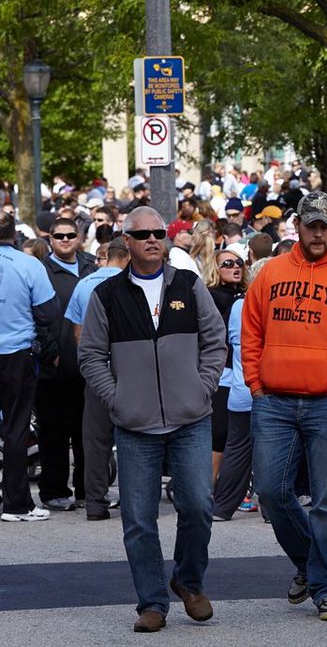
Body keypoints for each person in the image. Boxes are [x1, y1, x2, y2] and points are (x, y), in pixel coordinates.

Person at [77, 206, 227, 632]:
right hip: (135, 424)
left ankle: (188, 581)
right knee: (139, 520)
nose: (151, 239)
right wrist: (117, 399)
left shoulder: (189, 284)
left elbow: (216, 341)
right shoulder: (106, 295)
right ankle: (152, 602)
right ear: (127, 240)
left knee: (198, 506)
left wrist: (204, 386)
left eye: (158, 232)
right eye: (141, 234)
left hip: (190, 417)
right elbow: (90, 356)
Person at [241, 191, 327, 622]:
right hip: (274, 401)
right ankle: (311, 563)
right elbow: (251, 332)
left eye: (324, 226)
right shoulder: (271, 272)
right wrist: (256, 385)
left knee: (326, 500)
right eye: (309, 225)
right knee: (271, 491)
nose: (317, 233)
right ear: (297, 226)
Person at [35, 216, 98, 511]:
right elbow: (35, 315)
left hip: (88, 366)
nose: (64, 239)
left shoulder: (91, 267)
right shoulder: (41, 270)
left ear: (79, 236)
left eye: (70, 234)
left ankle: (87, 490)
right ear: (50, 239)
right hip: (53, 368)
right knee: (54, 433)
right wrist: (50, 351)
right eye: (58, 236)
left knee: (87, 431)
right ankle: (54, 490)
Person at [0, 212, 60, 522]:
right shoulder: (28, 265)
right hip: (16, 353)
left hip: (16, 350)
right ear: (15, 234)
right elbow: (49, 312)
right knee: (16, 428)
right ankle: (16, 503)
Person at [65, 237, 129, 520]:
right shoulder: (134, 283)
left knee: (95, 440)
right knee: (134, 436)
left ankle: (95, 503)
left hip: (96, 368)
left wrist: (91, 365)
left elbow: (78, 333)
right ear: (127, 256)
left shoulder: (84, 283)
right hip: (130, 369)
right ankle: (134, 501)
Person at [203, 249, 246, 486]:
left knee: (233, 434)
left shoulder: (244, 295)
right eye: (228, 264)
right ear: (216, 270)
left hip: (239, 373)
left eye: (239, 262)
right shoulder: (210, 296)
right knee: (219, 434)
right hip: (221, 373)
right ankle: (208, 487)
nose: (235, 267)